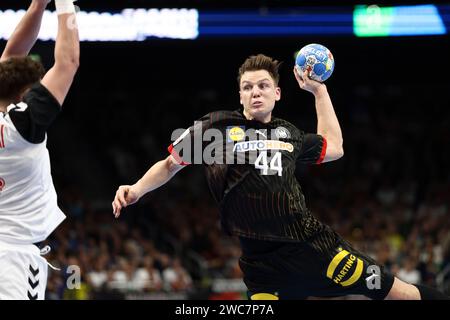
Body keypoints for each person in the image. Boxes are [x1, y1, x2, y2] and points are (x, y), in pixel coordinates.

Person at [112, 54, 448, 300]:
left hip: (313, 247)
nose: (255, 91)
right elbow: (170, 164)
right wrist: (137, 189)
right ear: (240, 95)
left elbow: (335, 147)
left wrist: (319, 92)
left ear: (277, 94)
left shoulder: (289, 133)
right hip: (260, 265)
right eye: (247, 87)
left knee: (396, 292)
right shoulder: (214, 128)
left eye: (263, 85)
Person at [0, 0, 79, 300]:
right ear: (24, 95)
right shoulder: (21, 126)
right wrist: (64, 4)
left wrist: (37, 6)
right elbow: (68, 62)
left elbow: (10, 58)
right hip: (14, 257)